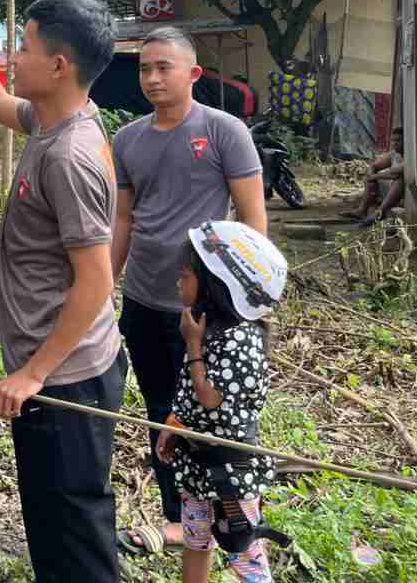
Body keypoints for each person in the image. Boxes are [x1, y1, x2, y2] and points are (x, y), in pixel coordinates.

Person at [0, 0, 125, 583]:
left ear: (59, 66)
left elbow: (97, 281)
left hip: (70, 381)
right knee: (55, 522)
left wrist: (35, 371)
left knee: (75, 532)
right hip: (63, 369)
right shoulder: (55, 120)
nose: (13, 56)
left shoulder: (69, 155)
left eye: (25, 47)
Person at [112, 27, 267, 559]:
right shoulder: (128, 138)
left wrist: (250, 304)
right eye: (144, 68)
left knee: (217, 415)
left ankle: (236, 516)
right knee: (163, 413)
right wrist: (106, 286)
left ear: (193, 74)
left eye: (164, 67)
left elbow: (252, 220)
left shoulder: (224, 131)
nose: (152, 77)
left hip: (207, 308)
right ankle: (181, 517)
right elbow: (123, 220)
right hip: (144, 298)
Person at [157, 221, 289, 583]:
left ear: (217, 284)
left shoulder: (239, 339)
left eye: (185, 276)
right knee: (197, 541)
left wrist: (193, 345)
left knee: (241, 542)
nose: (178, 284)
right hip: (198, 462)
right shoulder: (209, 326)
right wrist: (174, 423)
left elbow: (211, 398)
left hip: (230, 469)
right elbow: (190, 395)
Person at [343, 127, 405, 226]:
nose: (394, 143)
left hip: (403, 196)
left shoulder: (411, 156)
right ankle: (362, 210)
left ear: (406, 141)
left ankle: (378, 213)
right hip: (392, 193)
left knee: (399, 180)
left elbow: (395, 173)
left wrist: (374, 176)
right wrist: (371, 175)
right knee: (371, 176)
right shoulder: (394, 154)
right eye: (393, 140)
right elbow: (374, 165)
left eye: (398, 140)